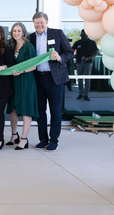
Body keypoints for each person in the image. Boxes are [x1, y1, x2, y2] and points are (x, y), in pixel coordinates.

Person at [29, 12, 74, 152]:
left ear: (46, 22)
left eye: (41, 22)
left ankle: (54, 140)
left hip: (55, 78)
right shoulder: (30, 37)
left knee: (55, 111)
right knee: (40, 111)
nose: (39, 25)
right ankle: (43, 139)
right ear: (34, 24)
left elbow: (69, 52)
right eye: (36, 23)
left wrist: (59, 57)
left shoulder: (58, 33)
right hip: (37, 78)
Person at [6, 23, 38, 151]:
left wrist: (22, 71)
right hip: (14, 82)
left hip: (26, 81)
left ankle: (24, 139)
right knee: (13, 109)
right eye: (14, 31)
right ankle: (14, 135)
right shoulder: (12, 46)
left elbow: (34, 66)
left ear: (23, 32)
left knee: (25, 109)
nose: (16, 33)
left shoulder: (28, 46)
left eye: (19, 31)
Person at [72, 29, 98, 101]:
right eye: (81, 35)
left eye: (83, 35)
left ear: (87, 35)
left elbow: (96, 53)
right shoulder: (78, 42)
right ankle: (80, 93)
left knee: (87, 79)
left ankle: (86, 95)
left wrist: (87, 58)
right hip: (79, 62)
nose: (82, 36)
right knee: (80, 78)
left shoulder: (92, 43)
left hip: (88, 62)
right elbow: (71, 50)